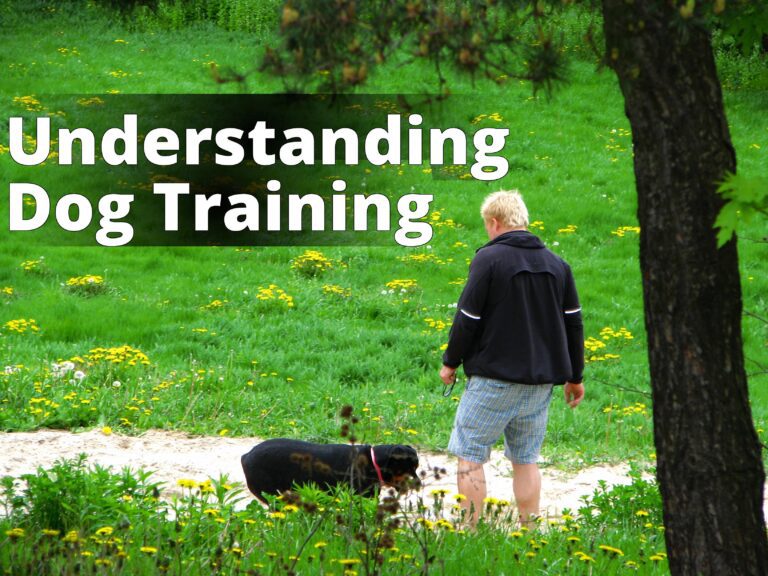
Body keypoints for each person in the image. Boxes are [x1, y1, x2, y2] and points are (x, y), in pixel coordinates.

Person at [440, 190, 584, 528]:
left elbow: (468, 318)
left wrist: (451, 361)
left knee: (470, 453)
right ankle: (529, 529)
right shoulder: (557, 265)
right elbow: (574, 323)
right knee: (526, 458)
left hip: (494, 378)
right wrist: (575, 377)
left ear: (494, 222)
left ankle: (471, 530)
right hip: (540, 384)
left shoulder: (488, 260)